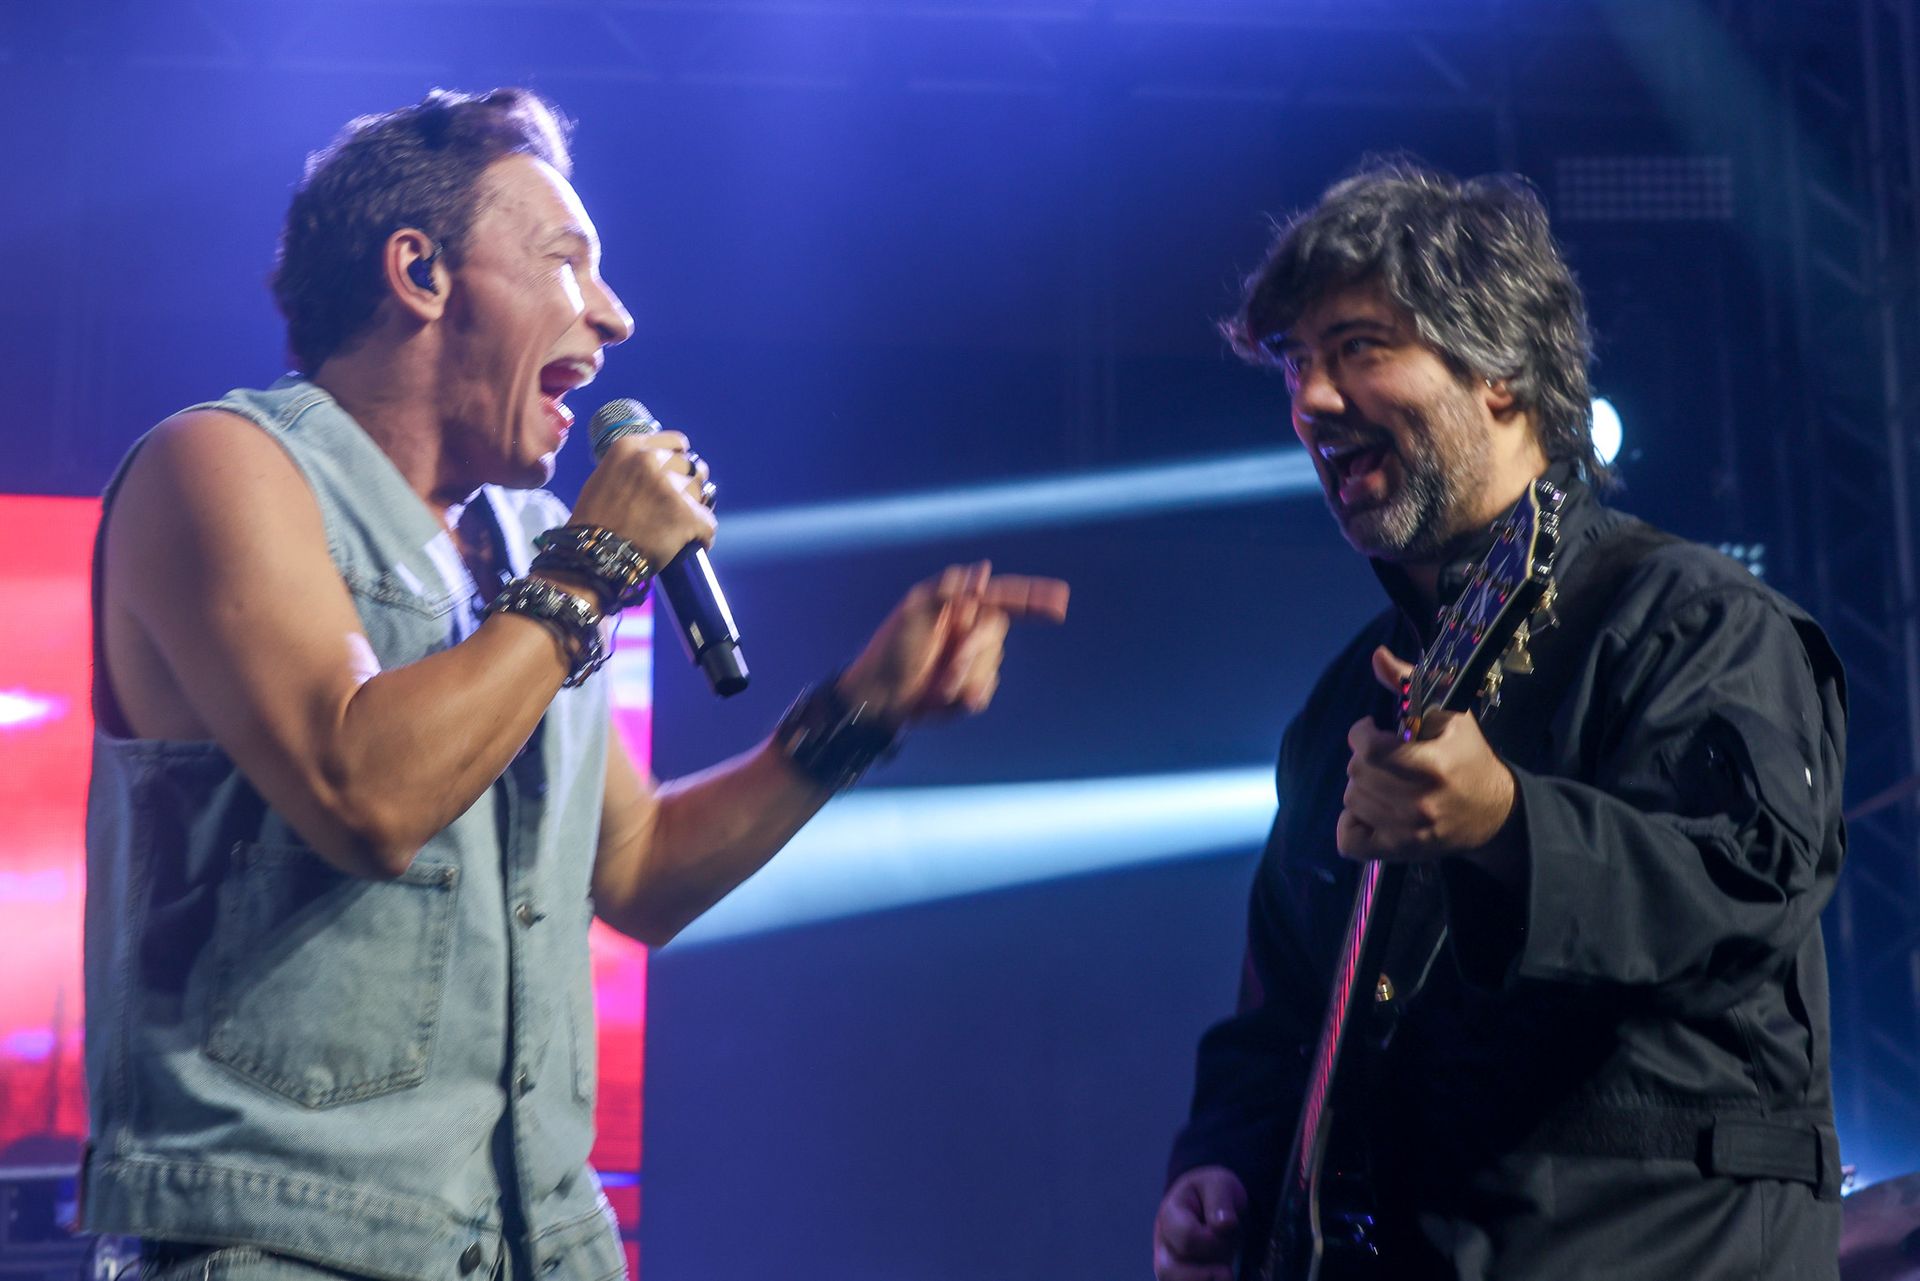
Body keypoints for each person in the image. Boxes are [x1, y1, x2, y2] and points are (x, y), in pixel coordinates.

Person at [81, 88, 1068, 1281]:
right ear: (420, 272)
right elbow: (366, 794)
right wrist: (592, 566)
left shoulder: (525, 541)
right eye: (568, 262)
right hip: (288, 1242)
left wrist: (863, 712)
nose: (614, 314)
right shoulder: (227, 466)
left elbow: (638, 872)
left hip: (537, 1247)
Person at [1153, 162, 1846, 1280]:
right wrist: (1221, 1165)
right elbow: (1281, 1015)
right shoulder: (1347, 702)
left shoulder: (1697, 619)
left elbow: (1746, 892)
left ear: (1502, 375)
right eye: (1295, 363)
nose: (1310, 401)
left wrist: (1510, 825)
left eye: (1360, 349)